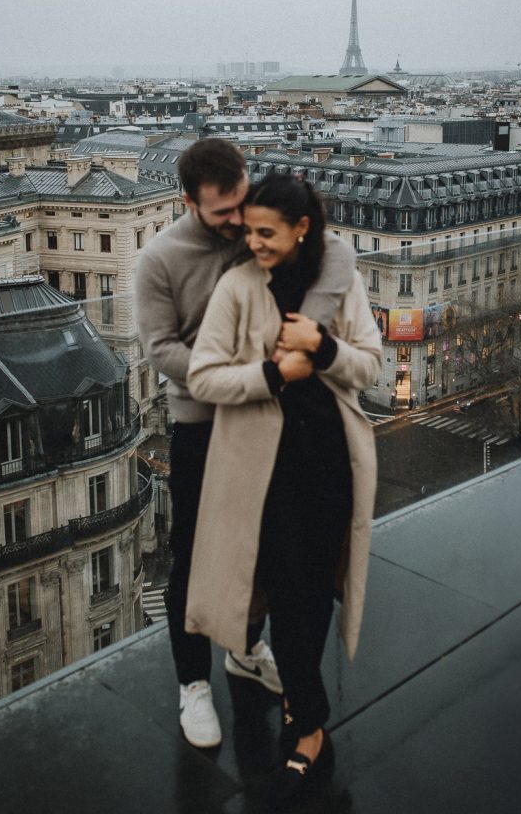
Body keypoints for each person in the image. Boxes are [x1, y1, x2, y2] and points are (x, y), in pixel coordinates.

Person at [135, 141, 355, 749]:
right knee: (194, 555)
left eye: (240, 204)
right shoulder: (158, 259)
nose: (237, 224)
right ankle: (192, 684)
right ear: (189, 203)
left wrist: (299, 335)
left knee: (262, 545)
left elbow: (336, 253)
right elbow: (160, 349)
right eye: (222, 214)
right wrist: (245, 371)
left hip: (269, 412)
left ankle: (247, 649)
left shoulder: (252, 223)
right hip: (205, 420)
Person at [185, 174, 381, 806]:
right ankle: (310, 728)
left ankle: (302, 707)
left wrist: (322, 349)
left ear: (302, 228)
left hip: (328, 465)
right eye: (248, 230)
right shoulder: (238, 287)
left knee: (315, 595)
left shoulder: (340, 283)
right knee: (289, 597)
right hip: (262, 477)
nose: (253, 241)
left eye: (266, 232)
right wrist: (272, 372)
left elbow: (370, 365)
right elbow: (204, 377)